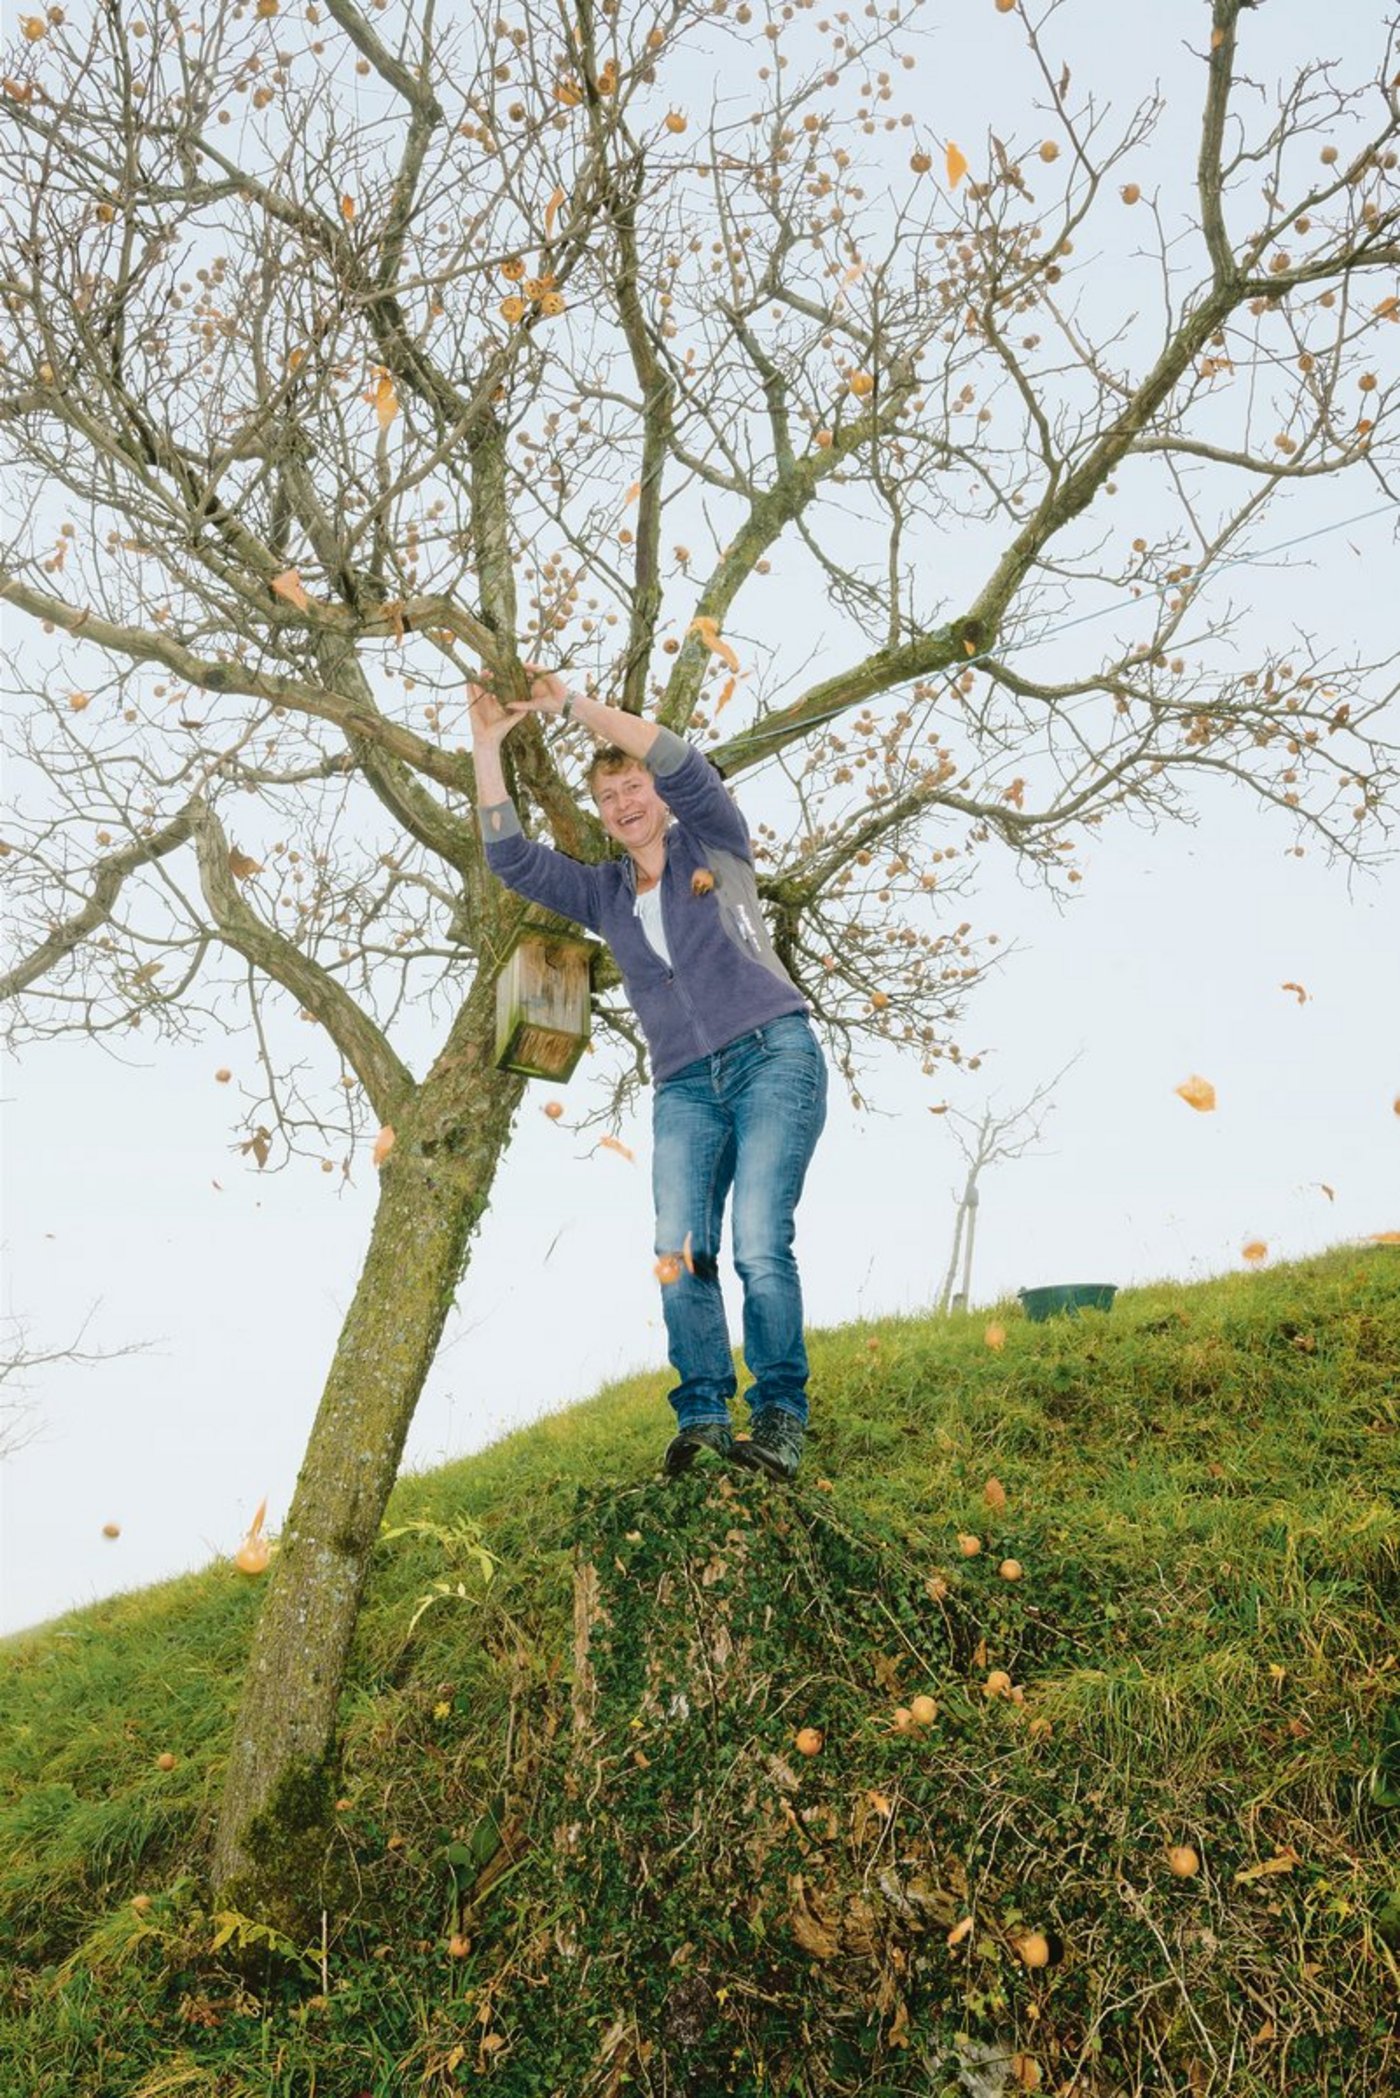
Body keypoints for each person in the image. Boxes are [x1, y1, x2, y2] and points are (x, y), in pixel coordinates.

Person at [469, 663, 828, 1481]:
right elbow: (511, 859)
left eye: (633, 786)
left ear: (658, 796)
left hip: (770, 1054)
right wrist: (487, 745)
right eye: (607, 797)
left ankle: (779, 1415)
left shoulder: (714, 840)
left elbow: (679, 758)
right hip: (686, 1087)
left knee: (758, 1240)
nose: (623, 803)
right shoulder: (603, 894)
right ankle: (703, 1419)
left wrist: (572, 706)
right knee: (678, 1249)